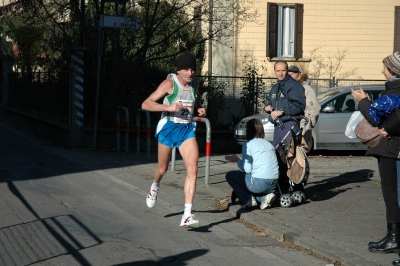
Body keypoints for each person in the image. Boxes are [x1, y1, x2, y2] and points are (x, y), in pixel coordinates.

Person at [141, 52, 206, 228]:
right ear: (179, 70)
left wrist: (199, 109)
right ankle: (155, 187)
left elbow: (195, 101)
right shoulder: (169, 84)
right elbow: (145, 104)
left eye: (193, 69)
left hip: (186, 130)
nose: (190, 73)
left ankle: (187, 214)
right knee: (162, 169)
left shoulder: (195, 84)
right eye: (186, 69)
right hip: (169, 128)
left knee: (193, 169)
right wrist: (168, 106)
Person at [351, 51, 400, 262]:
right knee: (390, 193)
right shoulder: (393, 89)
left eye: (385, 68)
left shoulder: (396, 90)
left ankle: (395, 238)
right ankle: (392, 236)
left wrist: (362, 102)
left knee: (392, 193)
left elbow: (374, 116)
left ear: (394, 71)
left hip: (393, 148)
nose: (382, 71)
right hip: (389, 148)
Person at [225, 118, 279, 209]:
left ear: (248, 131)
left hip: (260, 183)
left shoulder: (248, 144)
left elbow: (247, 169)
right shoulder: (269, 144)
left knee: (230, 175)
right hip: (274, 183)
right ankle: (263, 198)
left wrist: (237, 160)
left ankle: (247, 199)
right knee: (248, 179)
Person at [264, 61, 306, 148]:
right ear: (274, 71)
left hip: (290, 124)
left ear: (287, 71)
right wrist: (268, 107)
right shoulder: (275, 87)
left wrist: (282, 111)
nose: (280, 73)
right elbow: (269, 100)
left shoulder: (294, 86)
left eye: (283, 70)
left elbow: (299, 106)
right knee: (278, 155)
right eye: (278, 71)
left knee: (289, 156)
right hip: (278, 125)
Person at [287, 65, 321, 149]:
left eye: (293, 74)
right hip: (290, 124)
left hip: (302, 124)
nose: (290, 76)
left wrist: (309, 123)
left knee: (301, 153)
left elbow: (315, 108)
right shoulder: (288, 87)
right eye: (289, 74)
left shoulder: (306, 89)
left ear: (299, 74)